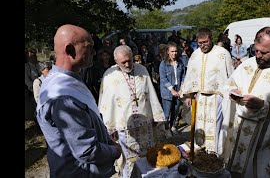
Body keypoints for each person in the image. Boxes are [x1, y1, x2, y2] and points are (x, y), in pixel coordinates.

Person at [36, 24, 122, 178]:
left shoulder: (66, 81)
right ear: (70, 50)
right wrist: (115, 151)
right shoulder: (62, 95)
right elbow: (87, 150)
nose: (94, 53)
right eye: (89, 47)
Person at [222, 27, 270, 178]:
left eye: (264, 52)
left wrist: (265, 107)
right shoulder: (248, 64)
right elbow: (231, 83)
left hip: (264, 144)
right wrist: (233, 91)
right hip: (238, 134)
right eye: (256, 50)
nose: (258, 56)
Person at [98, 45, 165, 178]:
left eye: (130, 60)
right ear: (116, 61)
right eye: (123, 62)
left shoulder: (142, 70)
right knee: (129, 163)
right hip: (124, 128)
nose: (128, 64)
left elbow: (151, 93)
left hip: (145, 125)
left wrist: (157, 116)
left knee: (148, 157)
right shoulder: (109, 76)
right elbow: (106, 104)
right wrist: (110, 127)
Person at [180, 28, 234, 154]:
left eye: (205, 42)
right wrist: (188, 95)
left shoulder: (222, 53)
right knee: (199, 127)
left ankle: (214, 155)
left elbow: (231, 75)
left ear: (211, 39)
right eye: (200, 43)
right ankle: (199, 154)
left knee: (215, 128)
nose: (202, 45)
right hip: (199, 98)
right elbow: (190, 75)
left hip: (217, 98)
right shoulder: (195, 54)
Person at [159, 42, 186, 136]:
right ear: (168, 52)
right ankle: (166, 129)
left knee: (175, 110)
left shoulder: (180, 63)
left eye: (175, 51)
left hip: (178, 89)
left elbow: (183, 75)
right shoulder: (163, 64)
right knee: (167, 112)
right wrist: (172, 90)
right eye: (172, 51)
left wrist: (182, 88)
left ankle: (173, 126)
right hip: (167, 91)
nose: (174, 53)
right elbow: (163, 79)